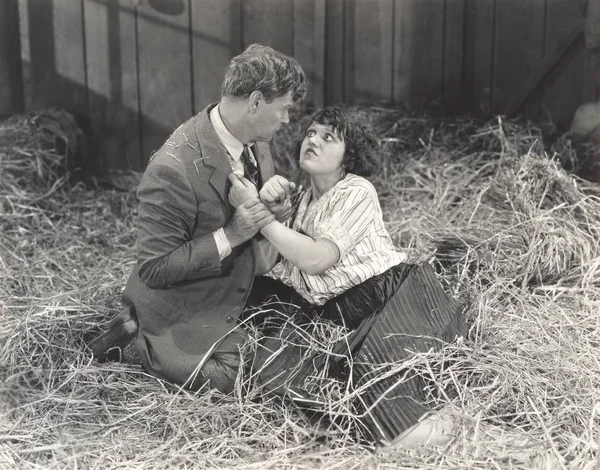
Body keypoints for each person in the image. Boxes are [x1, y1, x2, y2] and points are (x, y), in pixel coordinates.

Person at [229, 107, 466, 443]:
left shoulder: (356, 191)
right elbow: (267, 263)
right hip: (340, 313)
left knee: (378, 383)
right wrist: (266, 210)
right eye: (311, 133)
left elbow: (316, 259)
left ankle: (441, 428)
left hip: (394, 296)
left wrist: (265, 222)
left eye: (329, 138)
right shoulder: (300, 201)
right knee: (279, 375)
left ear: (348, 156)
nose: (314, 140)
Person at [88, 44, 307, 394]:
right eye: (283, 110)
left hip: (230, 280)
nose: (287, 120)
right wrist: (233, 234)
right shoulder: (170, 172)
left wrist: (275, 211)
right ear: (254, 102)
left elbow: (257, 223)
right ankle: (135, 338)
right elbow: (155, 269)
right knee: (244, 379)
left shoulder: (255, 140)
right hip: (181, 303)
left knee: (310, 318)